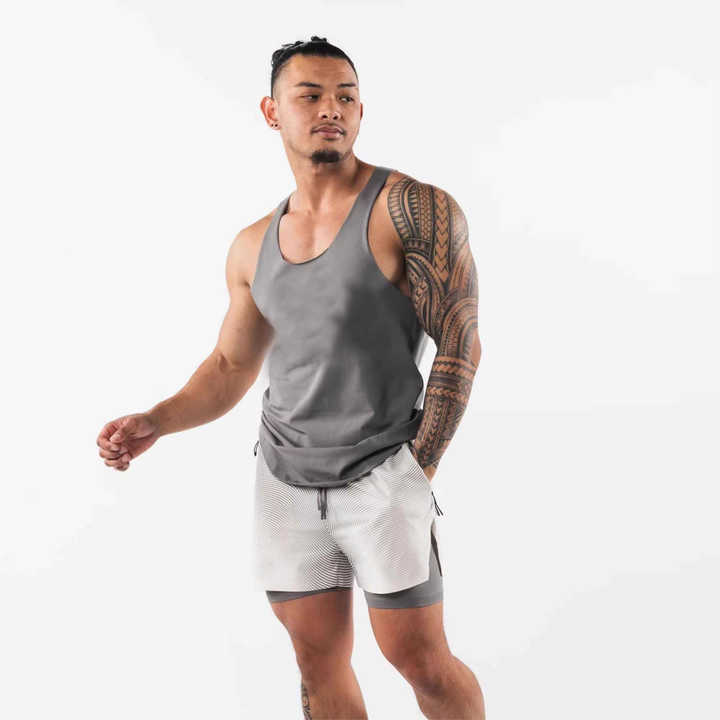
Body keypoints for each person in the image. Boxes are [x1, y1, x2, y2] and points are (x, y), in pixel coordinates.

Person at [97, 35, 485, 719]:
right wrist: (156, 420)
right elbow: (229, 366)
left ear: (361, 110)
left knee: (420, 660)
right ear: (272, 111)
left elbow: (460, 343)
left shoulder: (412, 209)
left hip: (384, 471)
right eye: (310, 95)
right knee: (316, 662)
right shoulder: (252, 245)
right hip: (285, 479)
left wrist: (417, 469)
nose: (331, 109)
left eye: (346, 96)